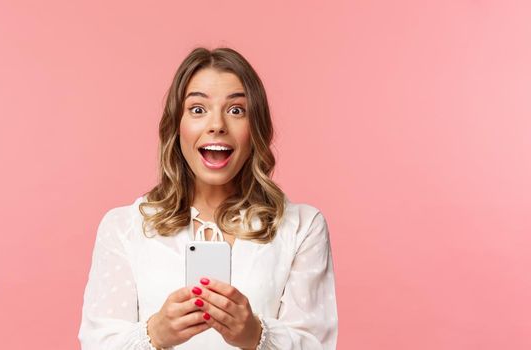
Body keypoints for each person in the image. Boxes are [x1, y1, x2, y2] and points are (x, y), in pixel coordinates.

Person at [78, 47, 338, 349]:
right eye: (198, 109)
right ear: (177, 126)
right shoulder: (124, 227)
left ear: (256, 128)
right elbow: (97, 343)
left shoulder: (301, 227)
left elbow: (316, 344)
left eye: (236, 110)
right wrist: (156, 334)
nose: (217, 125)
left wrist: (255, 335)